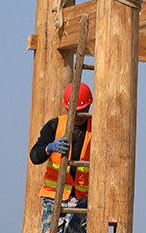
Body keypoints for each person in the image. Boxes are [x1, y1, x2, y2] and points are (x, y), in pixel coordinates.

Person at [30, 82, 93, 233]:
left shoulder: (96, 127)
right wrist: (49, 148)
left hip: (82, 198)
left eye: (82, 110)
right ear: (67, 108)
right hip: (54, 196)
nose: (78, 115)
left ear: (89, 107)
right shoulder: (54, 126)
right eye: (75, 111)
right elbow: (34, 156)